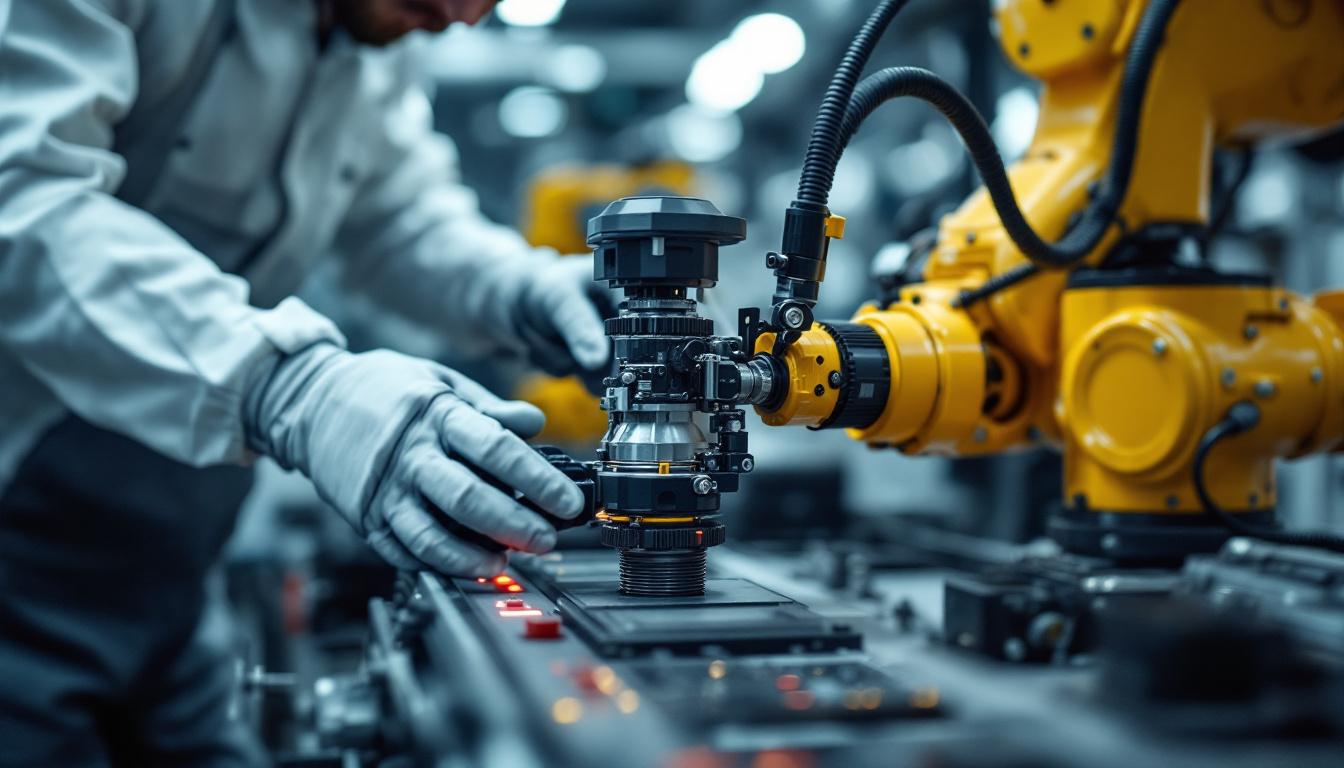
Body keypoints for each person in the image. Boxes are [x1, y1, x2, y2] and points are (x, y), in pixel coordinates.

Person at [0, 0, 609, 763]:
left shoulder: (378, 33)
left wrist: (523, 293)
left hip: (177, 566)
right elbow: (23, 202)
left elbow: (396, 218)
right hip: (20, 535)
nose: (464, 16)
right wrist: (291, 388)